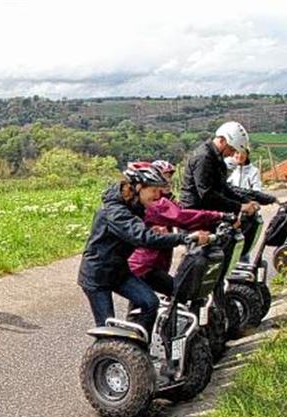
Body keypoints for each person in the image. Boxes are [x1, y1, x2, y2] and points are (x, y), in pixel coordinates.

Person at [78, 164, 208, 339]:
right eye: (153, 190)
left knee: (150, 302)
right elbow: (142, 237)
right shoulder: (115, 211)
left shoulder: (134, 206)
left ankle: (138, 350)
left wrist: (152, 230)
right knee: (108, 331)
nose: (157, 195)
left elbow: (141, 230)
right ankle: (107, 361)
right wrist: (185, 238)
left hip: (119, 271)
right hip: (97, 276)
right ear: (138, 187)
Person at [127, 161, 225, 297]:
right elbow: (182, 217)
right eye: (164, 177)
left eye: (169, 177)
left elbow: (183, 214)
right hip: (145, 265)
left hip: (153, 262)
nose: (167, 181)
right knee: (178, 292)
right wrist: (219, 215)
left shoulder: (165, 199)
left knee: (143, 302)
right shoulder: (157, 204)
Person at [180, 121, 274, 260]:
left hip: (207, 215)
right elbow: (207, 195)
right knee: (201, 261)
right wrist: (239, 206)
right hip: (195, 216)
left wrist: (246, 202)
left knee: (220, 257)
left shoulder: (216, 158)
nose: (231, 154)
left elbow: (224, 188)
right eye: (231, 149)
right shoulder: (204, 158)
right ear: (223, 140)